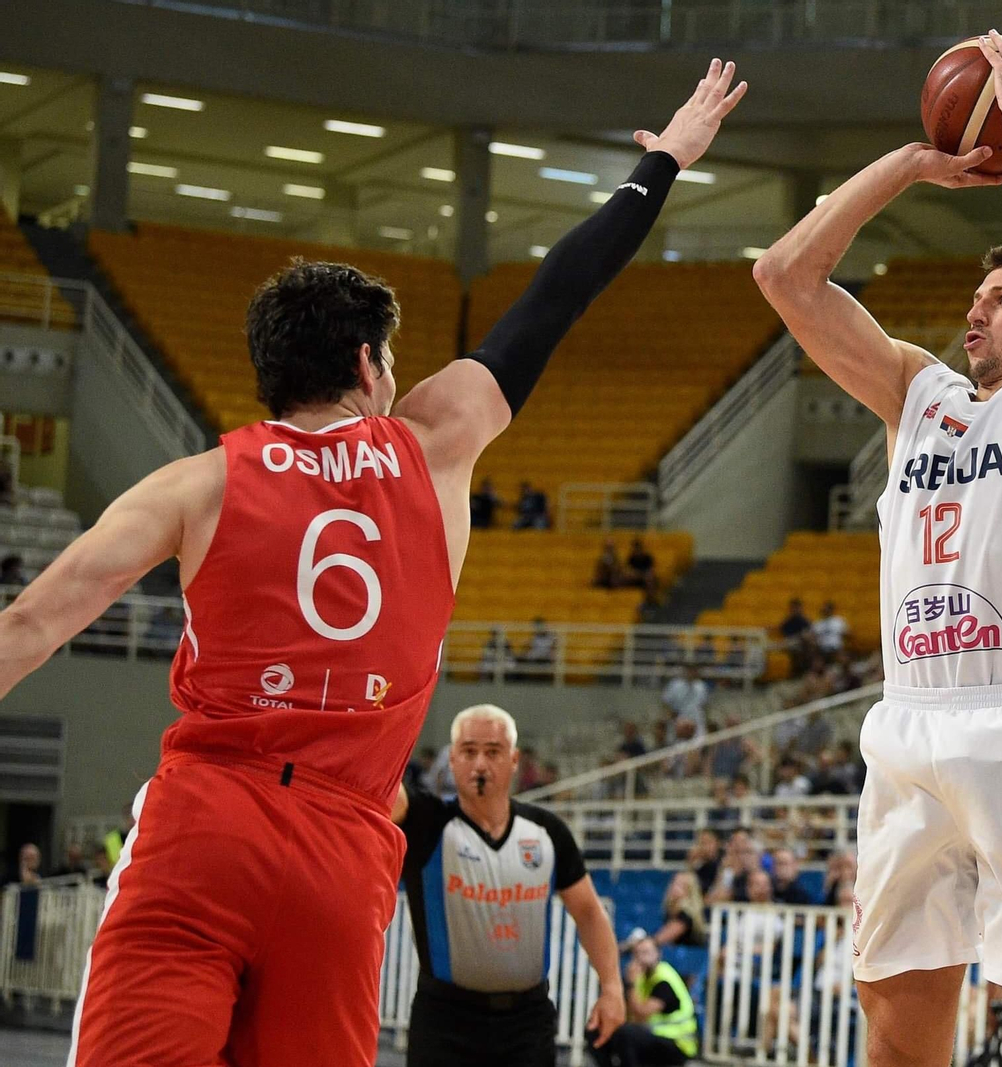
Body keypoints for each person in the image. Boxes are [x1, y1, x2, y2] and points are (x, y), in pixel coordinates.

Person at [0, 59, 744, 1067]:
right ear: (367, 367)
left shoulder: (195, 484)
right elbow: (556, 297)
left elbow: (30, 627)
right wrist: (660, 165)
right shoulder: (436, 439)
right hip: (343, 843)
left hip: (207, 819)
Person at [754, 30, 1002, 1062]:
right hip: (909, 722)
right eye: (975, 296)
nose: (976, 308)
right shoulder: (919, 394)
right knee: (894, 1015)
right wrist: (917, 163)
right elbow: (786, 273)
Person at [393, 705, 622, 1065]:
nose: (480, 764)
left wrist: (612, 988)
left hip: (527, 1023)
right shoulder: (426, 823)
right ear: (452, 760)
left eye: (493, 752)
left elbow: (590, 913)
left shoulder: (547, 831)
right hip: (444, 1021)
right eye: (469, 752)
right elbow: (381, 795)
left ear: (514, 760)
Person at [589, 935, 698, 1067]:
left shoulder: (664, 979)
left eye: (646, 952)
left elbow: (641, 1014)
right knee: (595, 1029)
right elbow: (625, 1013)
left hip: (677, 1044)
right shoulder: (641, 977)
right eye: (638, 953)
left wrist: (631, 984)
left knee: (627, 1034)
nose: (642, 958)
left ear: (658, 954)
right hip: (650, 1036)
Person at [655, 871, 709, 948]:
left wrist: (640, 943)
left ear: (690, 891)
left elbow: (660, 940)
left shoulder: (685, 916)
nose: (675, 888)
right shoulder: (670, 912)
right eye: (674, 883)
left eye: (681, 886)